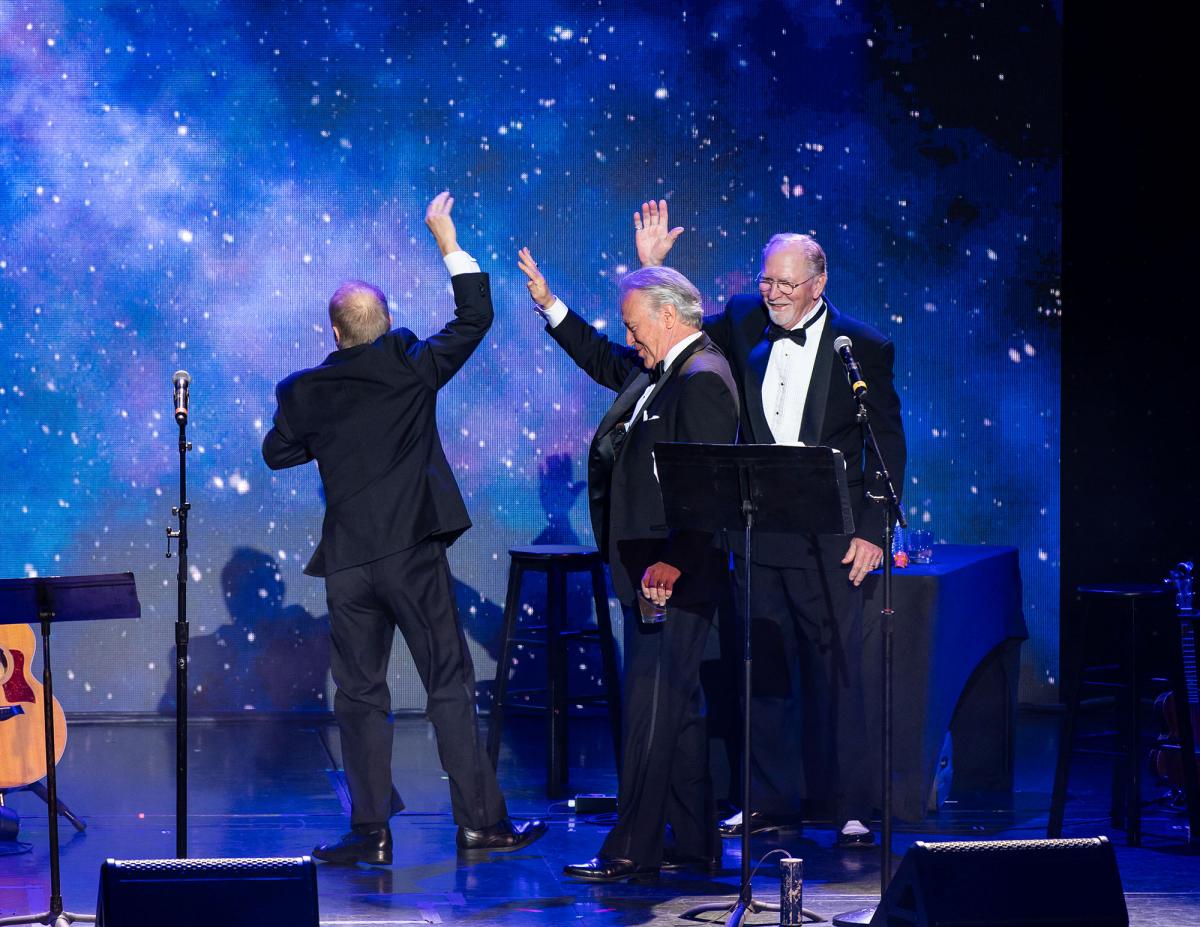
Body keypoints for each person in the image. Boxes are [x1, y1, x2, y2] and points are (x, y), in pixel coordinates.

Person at [262, 192, 546, 865]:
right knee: (447, 683)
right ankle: (479, 822)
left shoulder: (305, 390)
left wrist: (326, 435)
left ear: (334, 333)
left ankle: (370, 832)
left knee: (360, 696)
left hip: (349, 565)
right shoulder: (409, 365)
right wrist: (446, 239)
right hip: (412, 555)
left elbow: (277, 452)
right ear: (387, 322)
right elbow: (475, 315)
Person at [634, 199, 906, 848]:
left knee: (840, 671)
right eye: (767, 280)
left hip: (833, 537)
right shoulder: (742, 320)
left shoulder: (862, 345)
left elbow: (886, 443)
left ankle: (852, 804)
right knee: (761, 669)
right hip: (759, 530)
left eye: (787, 283)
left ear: (819, 283)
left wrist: (874, 529)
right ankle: (767, 799)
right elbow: (677, 328)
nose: (775, 293)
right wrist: (653, 269)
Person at [517, 249, 739, 881]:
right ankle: (694, 842)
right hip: (649, 571)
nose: (629, 336)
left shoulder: (701, 377)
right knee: (678, 711)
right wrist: (550, 306)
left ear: (668, 318)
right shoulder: (661, 369)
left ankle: (631, 849)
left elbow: (707, 489)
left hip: (670, 577)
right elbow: (602, 359)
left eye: (634, 324)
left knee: (649, 712)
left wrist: (674, 560)